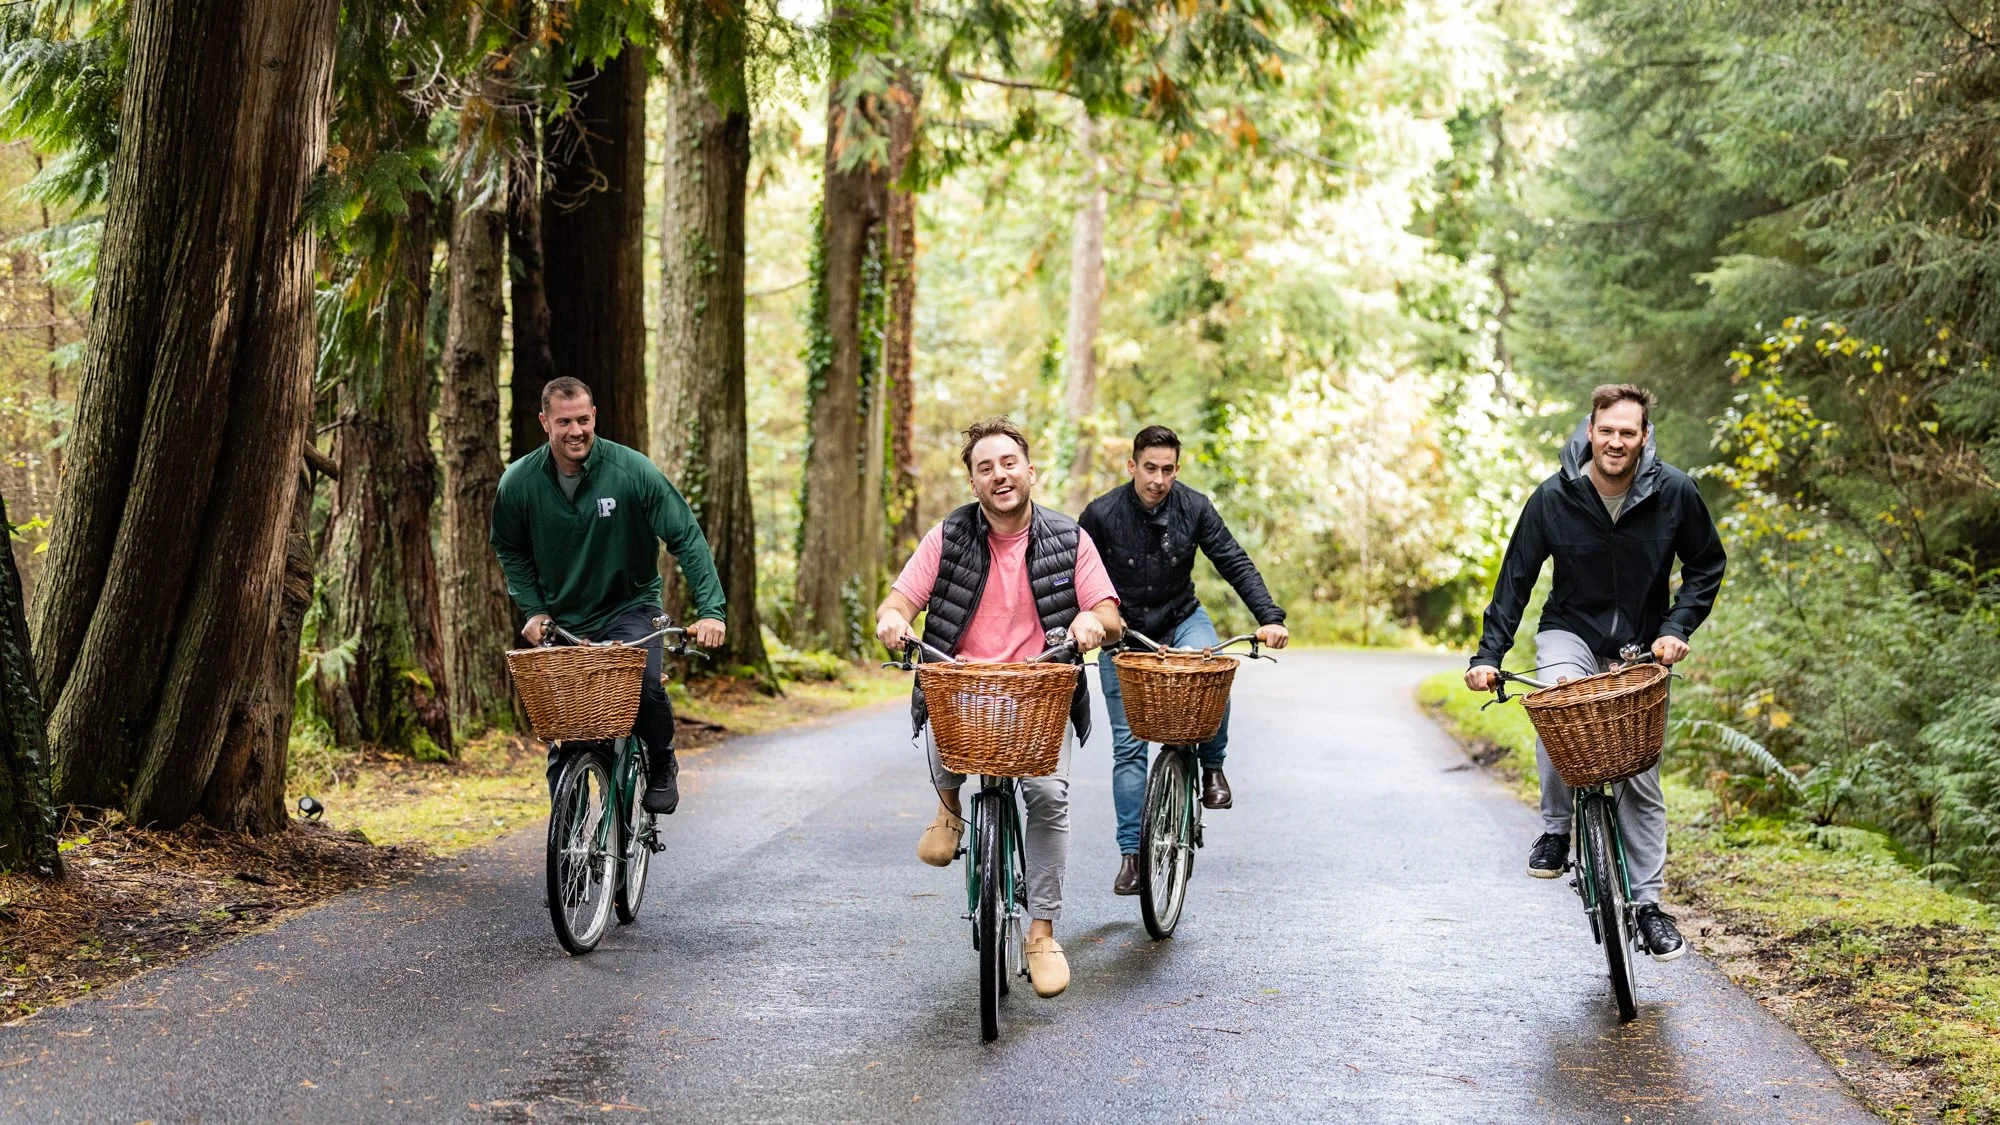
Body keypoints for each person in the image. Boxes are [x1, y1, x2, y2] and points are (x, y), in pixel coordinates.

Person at [1465, 384, 1725, 962]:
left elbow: (1707, 564)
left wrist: (1676, 628)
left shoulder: (1675, 492)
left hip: (1642, 642)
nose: (1616, 441)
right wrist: (1488, 656)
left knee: (1638, 771)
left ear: (1643, 436)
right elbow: (1516, 581)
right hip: (1571, 630)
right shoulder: (1554, 497)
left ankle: (1649, 905)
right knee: (1559, 703)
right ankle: (1558, 831)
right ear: (1590, 430)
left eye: (1628, 432)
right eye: (1607, 430)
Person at [874, 418, 1124, 999]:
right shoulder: (947, 537)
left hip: (1039, 688)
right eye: (985, 467)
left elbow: (1109, 616)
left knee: (1046, 794)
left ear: (1030, 471)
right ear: (972, 481)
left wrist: (1091, 619)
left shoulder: (1069, 537)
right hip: (966, 686)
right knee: (940, 704)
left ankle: (1041, 933)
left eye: (1009, 462)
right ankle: (948, 807)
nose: (999, 475)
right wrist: (891, 618)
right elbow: (901, 599)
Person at [491, 376, 727, 815]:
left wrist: (712, 611)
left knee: (644, 687)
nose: (576, 431)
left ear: (594, 415)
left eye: (583, 419)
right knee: (567, 727)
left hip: (630, 607)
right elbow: (510, 547)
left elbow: (686, 538)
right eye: (564, 422)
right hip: (563, 619)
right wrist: (535, 609)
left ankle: (661, 761)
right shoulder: (519, 482)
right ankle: (570, 835)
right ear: (545, 422)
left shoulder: (632, 471)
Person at [1078, 425, 1289, 896]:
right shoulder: (1102, 514)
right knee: (1129, 746)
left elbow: (1232, 560)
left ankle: (1212, 768)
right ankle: (1132, 856)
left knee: (1212, 671)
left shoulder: (1194, 507)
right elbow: (1073, 571)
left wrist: (1269, 617)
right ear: (1132, 466)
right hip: (1125, 632)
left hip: (1181, 618)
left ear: (1178, 469)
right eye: (1149, 468)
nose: (1157, 478)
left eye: (1167, 469)